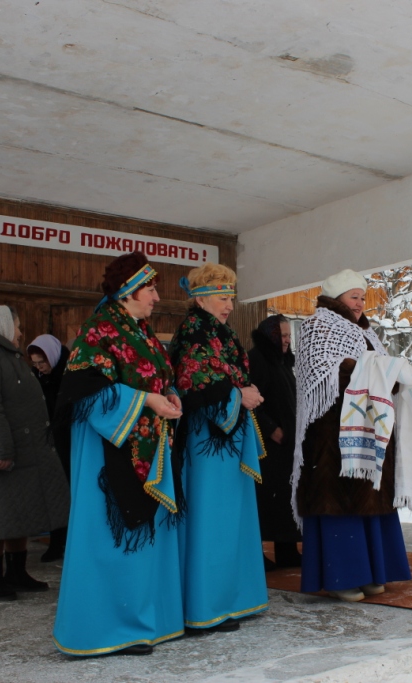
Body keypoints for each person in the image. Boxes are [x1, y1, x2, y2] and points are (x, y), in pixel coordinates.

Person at [52, 252, 184, 656]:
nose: (157, 297)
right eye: (151, 289)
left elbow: (162, 378)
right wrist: (147, 401)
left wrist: (170, 396)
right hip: (107, 452)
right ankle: (107, 628)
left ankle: (144, 621)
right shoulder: (101, 330)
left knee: (144, 542)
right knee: (108, 538)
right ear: (128, 292)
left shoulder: (140, 331)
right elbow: (82, 393)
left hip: (145, 445)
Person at [292, 269, 412, 602]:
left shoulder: (368, 333)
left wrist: (391, 373)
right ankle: (342, 574)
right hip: (331, 433)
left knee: (368, 496)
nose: (360, 303)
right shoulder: (318, 326)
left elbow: (376, 370)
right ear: (336, 299)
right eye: (353, 297)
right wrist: (367, 369)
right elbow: (319, 373)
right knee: (339, 500)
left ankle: (372, 570)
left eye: (362, 297)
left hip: (368, 428)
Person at [170, 263, 269, 632]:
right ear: (201, 297)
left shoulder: (216, 330)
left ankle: (226, 600)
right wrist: (238, 395)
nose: (229, 305)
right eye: (223, 297)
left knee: (228, 520)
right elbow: (193, 386)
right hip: (207, 439)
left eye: (231, 297)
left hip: (222, 438)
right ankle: (206, 606)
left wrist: (244, 393)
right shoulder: (196, 331)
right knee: (211, 521)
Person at [0, 305, 70, 601]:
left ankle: (16, 573)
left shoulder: (5, 355)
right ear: (3, 326)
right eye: (18, 326)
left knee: (14, 513)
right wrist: (0, 449)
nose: (21, 333)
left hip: (17, 452)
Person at [248, 314, 302, 571]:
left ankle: (288, 551)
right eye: (282, 335)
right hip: (268, 445)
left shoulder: (282, 362)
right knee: (266, 501)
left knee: (284, 499)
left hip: (287, 445)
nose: (286, 340)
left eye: (289, 335)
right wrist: (271, 430)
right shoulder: (258, 358)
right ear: (270, 335)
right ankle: (260, 555)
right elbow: (252, 399)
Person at [27, 333, 70, 562]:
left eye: (41, 362)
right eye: (34, 363)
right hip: (47, 443)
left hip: (68, 443)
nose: (39, 367)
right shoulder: (38, 378)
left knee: (67, 491)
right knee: (53, 494)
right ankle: (56, 542)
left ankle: (66, 543)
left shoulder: (68, 375)